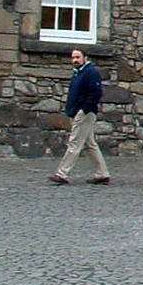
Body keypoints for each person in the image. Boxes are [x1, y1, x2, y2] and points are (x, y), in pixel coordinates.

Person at [48, 49, 110, 185]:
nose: (75, 60)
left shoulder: (90, 72)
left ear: (85, 58)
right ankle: (102, 174)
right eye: (73, 57)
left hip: (85, 113)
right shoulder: (78, 73)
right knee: (90, 144)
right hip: (77, 112)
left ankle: (62, 173)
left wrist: (84, 110)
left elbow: (96, 93)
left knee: (74, 143)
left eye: (77, 57)